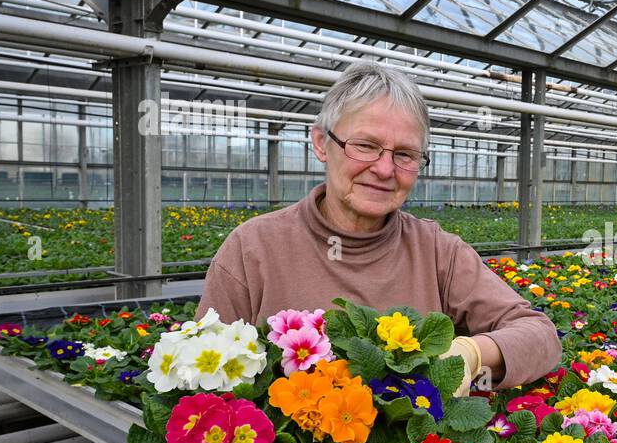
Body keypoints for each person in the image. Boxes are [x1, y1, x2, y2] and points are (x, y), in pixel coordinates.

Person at [197, 60, 562, 393]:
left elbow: (540, 336)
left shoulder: (437, 251)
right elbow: (200, 373)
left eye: (404, 154)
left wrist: (471, 352)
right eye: (366, 145)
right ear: (322, 143)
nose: (385, 170)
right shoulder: (253, 248)